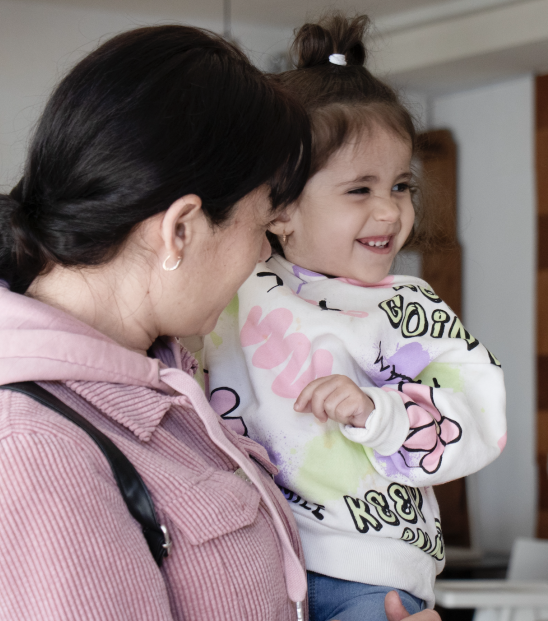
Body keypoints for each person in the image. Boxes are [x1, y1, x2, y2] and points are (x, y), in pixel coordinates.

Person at [0, 23, 439, 621]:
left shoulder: (158, 390)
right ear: (181, 229)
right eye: (261, 226)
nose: (260, 256)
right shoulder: (30, 451)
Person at [202, 14, 506, 621]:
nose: (390, 212)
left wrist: (380, 414)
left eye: (400, 186)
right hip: (255, 562)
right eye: (359, 190)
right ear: (279, 209)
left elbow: (479, 417)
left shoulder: (409, 308)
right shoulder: (234, 287)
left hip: (372, 574)